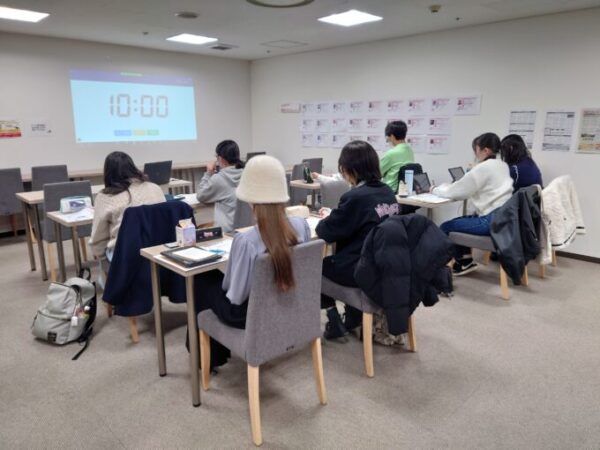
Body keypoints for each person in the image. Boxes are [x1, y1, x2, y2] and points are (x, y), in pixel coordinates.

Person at [194, 155, 311, 368]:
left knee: (202, 280)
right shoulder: (301, 226)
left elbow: (235, 295)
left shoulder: (246, 241)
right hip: (287, 305)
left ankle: (209, 359)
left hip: (249, 315)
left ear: (249, 199)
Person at [316, 141, 399, 339]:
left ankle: (334, 320)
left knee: (315, 268)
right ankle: (353, 316)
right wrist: (337, 214)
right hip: (387, 266)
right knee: (341, 259)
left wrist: (329, 217)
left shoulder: (355, 197)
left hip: (362, 270)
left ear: (351, 170)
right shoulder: (388, 192)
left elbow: (326, 232)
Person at [432, 132, 513, 275]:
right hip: (504, 218)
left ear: (485, 150)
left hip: (490, 222)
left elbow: (456, 192)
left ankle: (437, 269)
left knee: (446, 226)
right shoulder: (502, 165)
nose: (475, 154)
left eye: (476, 149)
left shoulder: (483, 167)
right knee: (460, 222)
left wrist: (435, 189)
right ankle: (465, 261)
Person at [90, 151, 165, 261]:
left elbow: (98, 237)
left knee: (101, 253)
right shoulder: (155, 188)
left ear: (108, 173)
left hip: (125, 256)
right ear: (132, 168)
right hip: (158, 250)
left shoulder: (105, 197)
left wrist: (100, 255)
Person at [196, 140, 244, 232]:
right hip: (245, 229)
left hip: (226, 232)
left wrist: (208, 173)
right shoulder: (246, 174)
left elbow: (201, 196)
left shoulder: (219, 178)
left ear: (221, 158)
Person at [380, 120, 414, 192]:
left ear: (392, 136)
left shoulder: (392, 153)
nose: (387, 140)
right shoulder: (409, 150)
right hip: (404, 190)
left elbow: (377, 173)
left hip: (390, 191)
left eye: (387, 137)